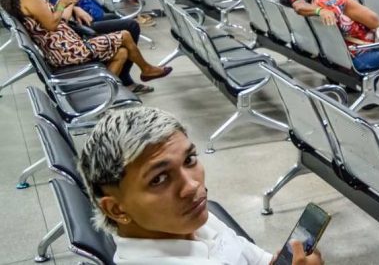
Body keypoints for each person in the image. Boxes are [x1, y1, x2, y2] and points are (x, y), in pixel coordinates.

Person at [77, 107, 324, 265]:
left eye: (189, 160)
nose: (192, 186)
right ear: (117, 210)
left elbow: (259, 260)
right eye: (159, 179)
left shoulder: (187, 221)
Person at [1, 0, 171, 82]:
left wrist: (69, 5)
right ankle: (147, 69)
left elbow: (59, 21)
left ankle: (105, 92)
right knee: (125, 34)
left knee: (122, 52)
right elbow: (52, 25)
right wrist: (61, 3)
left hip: (64, 48)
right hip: (67, 51)